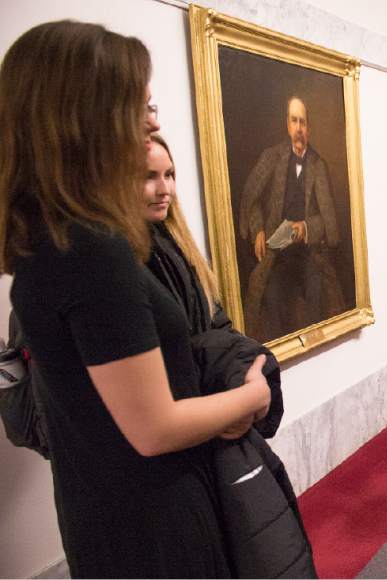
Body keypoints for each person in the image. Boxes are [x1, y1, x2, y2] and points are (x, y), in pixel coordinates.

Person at [0, 21, 271, 578]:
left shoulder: (54, 238)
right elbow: (156, 428)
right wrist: (254, 394)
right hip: (152, 521)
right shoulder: (90, 250)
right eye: (140, 105)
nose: (153, 121)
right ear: (83, 117)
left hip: (109, 510)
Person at [143, 133, 316, 577]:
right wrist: (228, 397)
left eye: (170, 175)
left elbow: (223, 332)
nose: (164, 188)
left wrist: (241, 382)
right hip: (161, 478)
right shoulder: (103, 266)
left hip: (218, 449)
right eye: (148, 177)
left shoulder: (181, 251)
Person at [239, 95, 347, 341]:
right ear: (287, 125)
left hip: (310, 254)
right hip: (276, 256)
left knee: (317, 290)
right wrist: (257, 230)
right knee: (273, 295)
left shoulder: (318, 166)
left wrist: (306, 228)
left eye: (303, 122)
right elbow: (249, 197)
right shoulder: (272, 157)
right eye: (294, 121)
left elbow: (331, 226)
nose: (299, 129)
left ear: (309, 128)